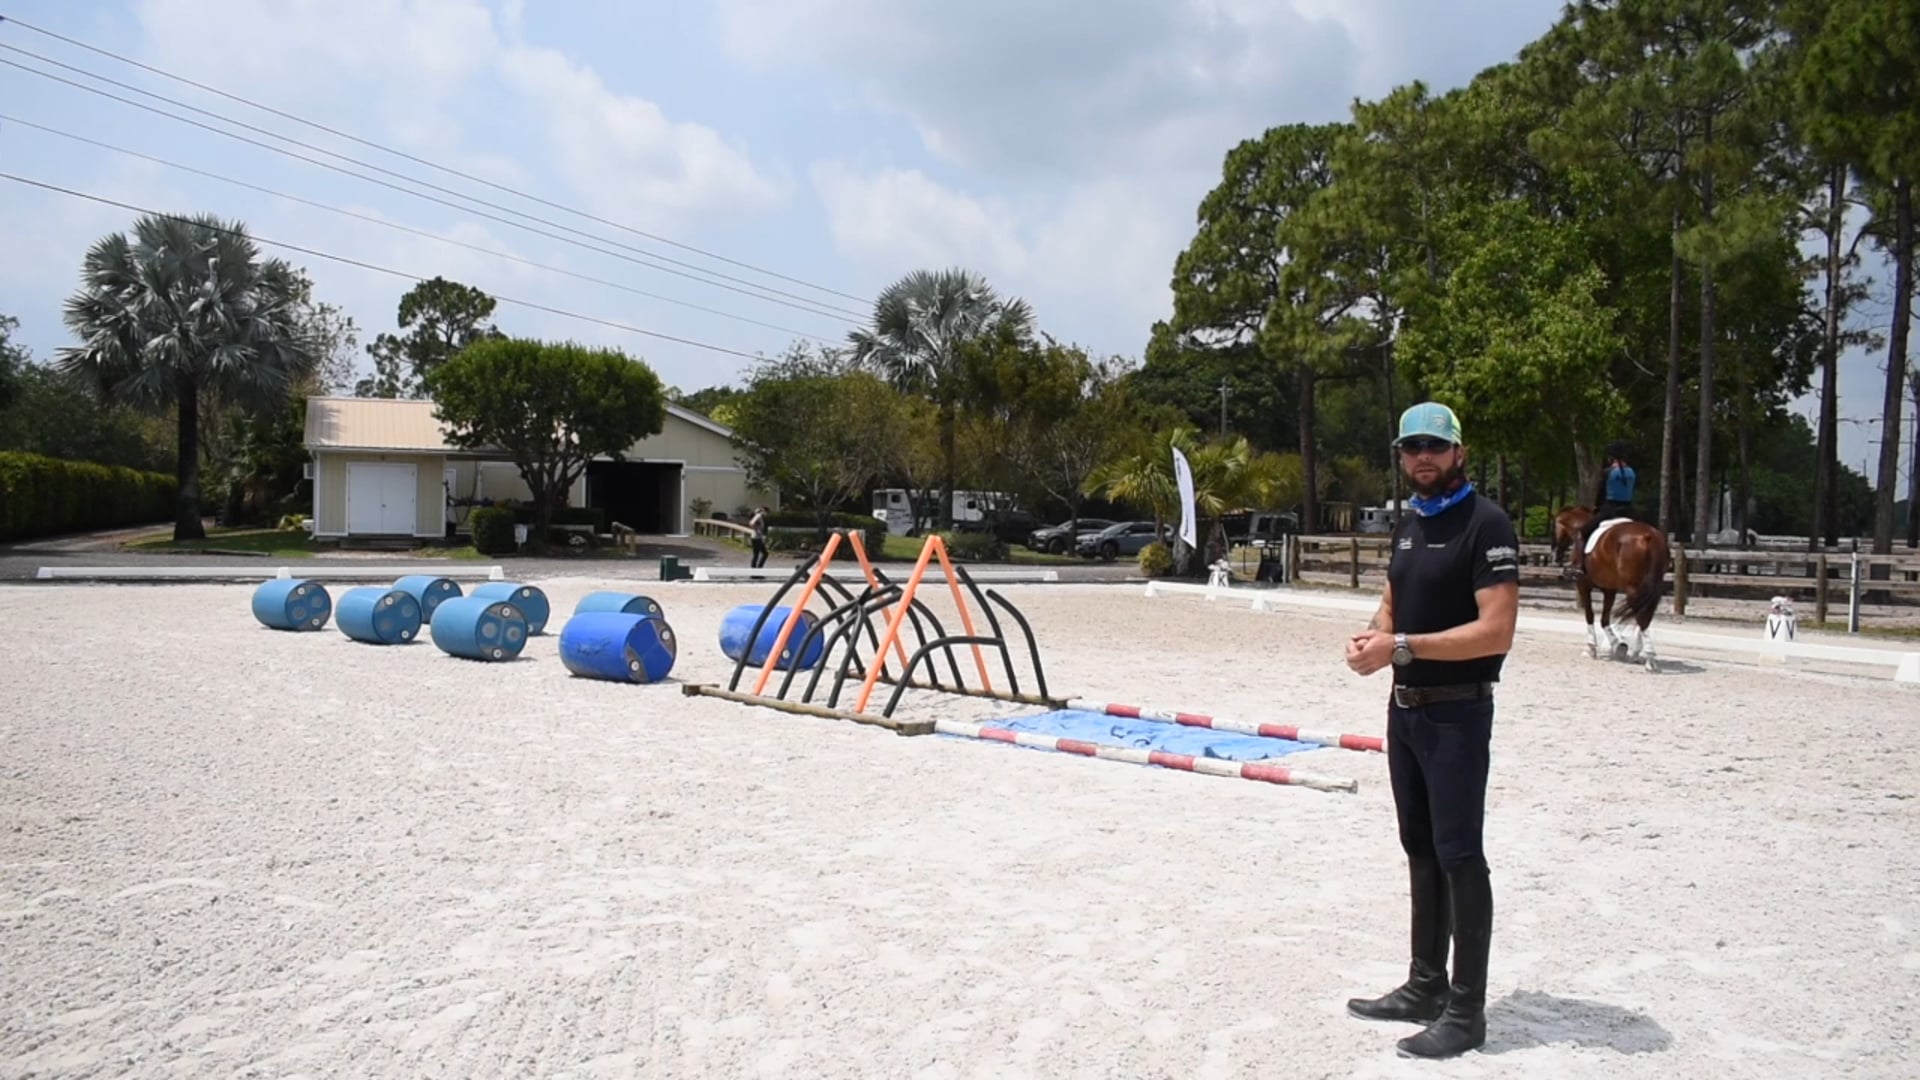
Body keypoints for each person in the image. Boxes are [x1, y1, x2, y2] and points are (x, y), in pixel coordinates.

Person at [1343, 400, 1520, 1060]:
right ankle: (1425, 984)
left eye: (1434, 446)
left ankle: (1467, 1012)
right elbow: (1393, 600)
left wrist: (1403, 646)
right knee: (1418, 844)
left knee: (1459, 852)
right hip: (1406, 707)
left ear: (1458, 452)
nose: (1422, 457)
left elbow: (1496, 629)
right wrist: (1373, 639)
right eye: (1411, 447)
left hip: (1457, 711)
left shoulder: (1487, 523)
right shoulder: (1410, 523)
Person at [1569, 441, 1636, 578]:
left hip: (1610, 510)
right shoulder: (1632, 472)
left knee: (1581, 534)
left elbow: (1601, 493)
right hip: (1629, 510)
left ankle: (1580, 566)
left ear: (1611, 458)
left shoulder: (1608, 473)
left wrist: (1596, 507)